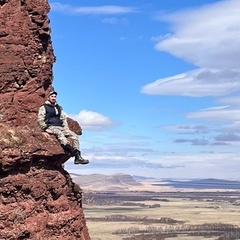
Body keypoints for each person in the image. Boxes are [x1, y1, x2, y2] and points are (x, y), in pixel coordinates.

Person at [37, 90, 89, 165]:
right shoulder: (44, 107)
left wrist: (66, 128)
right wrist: (45, 128)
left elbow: (63, 118)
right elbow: (40, 119)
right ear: (48, 98)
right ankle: (74, 153)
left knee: (74, 136)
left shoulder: (59, 107)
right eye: (52, 96)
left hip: (61, 127)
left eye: (55, 97)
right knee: (60, 135)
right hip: (51, 126)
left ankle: (78, 157)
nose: (54, 98)